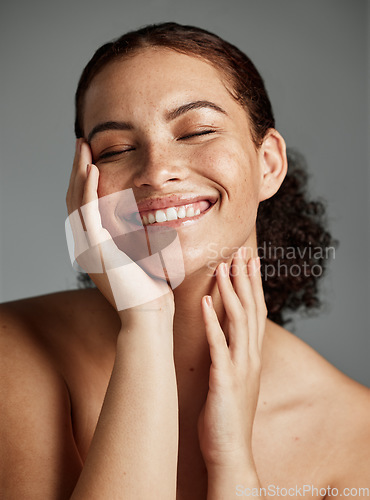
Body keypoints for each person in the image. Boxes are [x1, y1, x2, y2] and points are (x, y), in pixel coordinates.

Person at [1, 22, 369, 500]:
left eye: (196, 131)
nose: (157, 170)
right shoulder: (13, 353)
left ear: (269, 165)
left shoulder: (357, 436)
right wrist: (146, 330)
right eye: (116, 149)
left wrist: (233, 464)